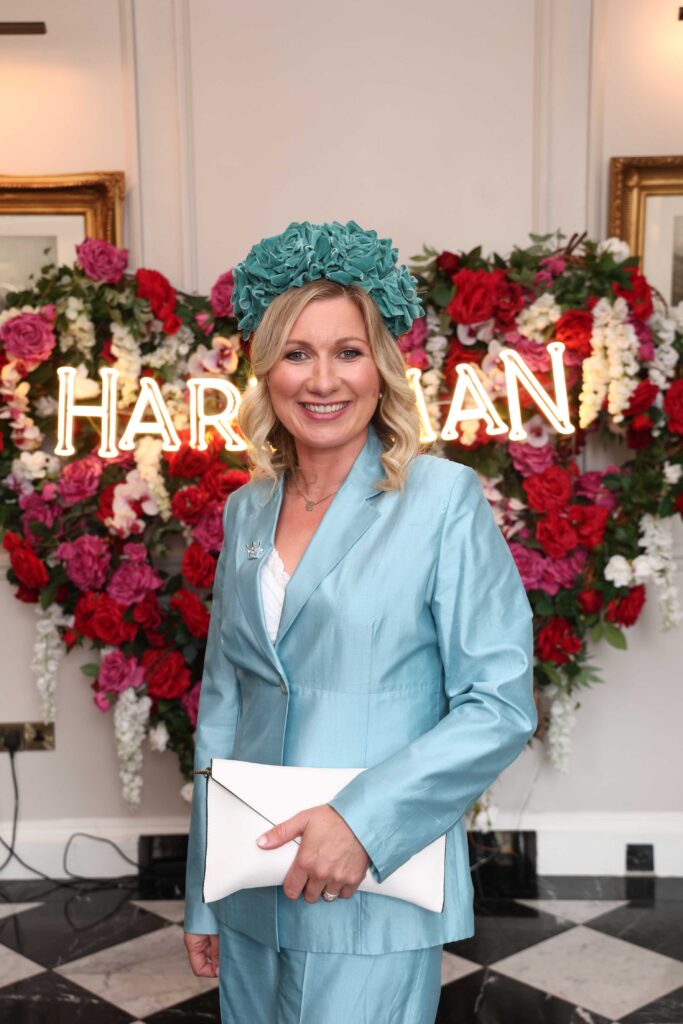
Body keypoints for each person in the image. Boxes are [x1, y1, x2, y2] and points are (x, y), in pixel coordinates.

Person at [183, 220, 536, 1023]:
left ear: (382, 368)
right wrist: (205, 889)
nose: (322, 379)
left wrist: (363, 823)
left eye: (347, 351)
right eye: (297, 352)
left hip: (371, 880)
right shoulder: (245, 511)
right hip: (248, 886)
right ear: (264, 368)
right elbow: (224, 706)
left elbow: (498, 704)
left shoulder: (441, 500)